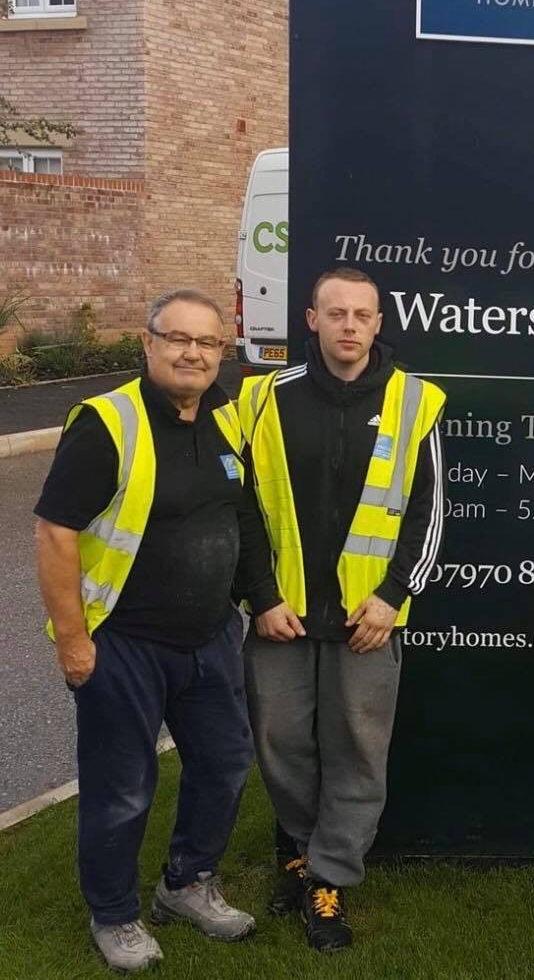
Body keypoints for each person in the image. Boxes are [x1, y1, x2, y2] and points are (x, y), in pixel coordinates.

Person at [34, 289, 258, 974]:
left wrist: (261, 599)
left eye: (208, 342)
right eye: (178, 338)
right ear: (148, 342)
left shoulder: (226, 416)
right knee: (122, 786)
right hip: (124, 644)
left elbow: (241, 519)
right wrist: (74, 642)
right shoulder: (107, 424)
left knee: (224, 765)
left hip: (212, 637)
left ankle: (187, 883)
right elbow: (53, 531)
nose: (193, 353)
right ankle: (115, 914)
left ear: (222, 352)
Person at [237, 266, 446, 954]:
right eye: (336, 313)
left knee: (357, 752)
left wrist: (393, 595)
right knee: (281, 742)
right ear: (311, 320)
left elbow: (430, 511)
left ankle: (328, 879)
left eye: (362, 314)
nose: (349, 326)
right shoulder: (262, 397)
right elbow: (239, 508)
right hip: (281, 618)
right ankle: (299, 852)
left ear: (379, 323)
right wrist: (260, 597)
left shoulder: (417, 402)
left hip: (367, 619)